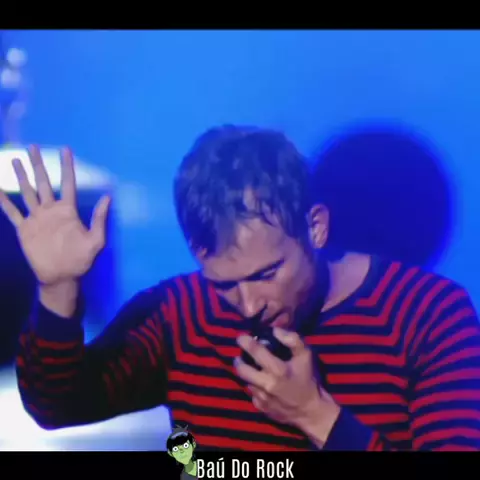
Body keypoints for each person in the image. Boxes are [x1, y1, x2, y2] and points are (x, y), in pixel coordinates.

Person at [2, 126, 480, 451]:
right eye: (224, 284)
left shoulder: (429, 314)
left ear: (315, 227)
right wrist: (57, 289)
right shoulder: (181, 311)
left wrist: (316, 415)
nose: (250, 306)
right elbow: (56, 404)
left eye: (266, 274)